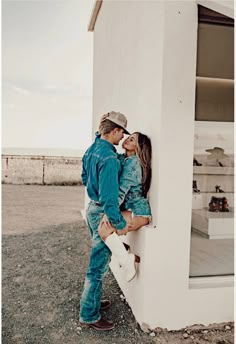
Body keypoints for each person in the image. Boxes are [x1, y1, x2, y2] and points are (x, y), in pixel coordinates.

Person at [79, 111, 132, 331]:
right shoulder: (109, 158)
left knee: (98, 263)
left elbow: (84, 178)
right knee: (97, 267)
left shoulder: (93, 148)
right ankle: (89, 314)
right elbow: (110, 199)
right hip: (103, 213)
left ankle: (91, 302)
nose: (122, 139)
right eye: (121, 133)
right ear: (115, 130)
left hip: (92, 207)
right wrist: (119, 225)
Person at [98, 131, 152, 282]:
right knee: (101, 226)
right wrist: (101, 133)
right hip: (131, 209)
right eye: (128, 137)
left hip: (138, 212)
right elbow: (107, 149)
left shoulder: (133, 164)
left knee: (104, 228)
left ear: (138, 147)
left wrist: (109, 212)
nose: (127, 139)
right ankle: (124, 252)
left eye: (132, 139)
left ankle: (128, 261)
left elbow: (121, 191)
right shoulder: (124, 159)